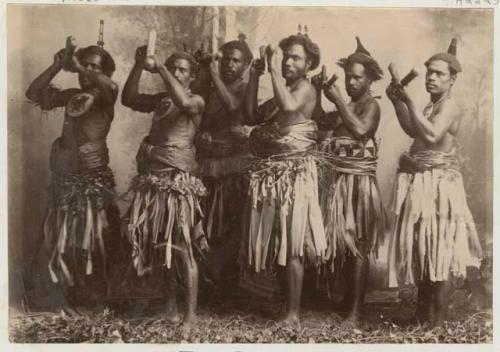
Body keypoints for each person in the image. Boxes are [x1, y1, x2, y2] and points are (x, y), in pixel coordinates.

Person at [386, 39, 482, 327]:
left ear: (452, 80)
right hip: (423, 183)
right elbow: (412, 129)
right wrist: (397, 102)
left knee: (440, 249)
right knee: (424, 248)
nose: (431, 77)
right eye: (429, 72)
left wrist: (409, 100)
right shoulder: (432, 105)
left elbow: (430, 136)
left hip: (441, 186)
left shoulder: (450, 107)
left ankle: (437, 324)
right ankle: (420, 317)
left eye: (439, 73)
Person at [25, 36, 119, 315]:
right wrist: (57, 65)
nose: (86, 72)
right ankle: (58, 299)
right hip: (65, 183)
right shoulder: (69, 96)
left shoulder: (105, 98)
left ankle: (93, 303)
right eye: (84, 65)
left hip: (92, 184)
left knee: (93, 243)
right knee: (58, 241)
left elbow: (112, 87)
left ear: (105, 72)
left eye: (95, 67)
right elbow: (33, 93)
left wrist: (78, 64)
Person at [242, 32, 327, 326]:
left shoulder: (305, 89)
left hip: (295, 175)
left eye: (296, 57)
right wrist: (255, 75)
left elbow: (290, 110)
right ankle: (285, 307)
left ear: (309, 64)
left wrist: (274, 69)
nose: (289, 61)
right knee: (280, 240)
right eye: (286, 56)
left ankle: (293, 314)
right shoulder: (284, 89)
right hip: (274, 175)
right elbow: (251, 115)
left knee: (293, 242)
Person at [121, 46, 206, 328]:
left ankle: (190, 316)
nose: (178, 73)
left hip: (177, 183)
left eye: (183, 70)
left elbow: (183, 102)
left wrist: (161, 68)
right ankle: (170, 307)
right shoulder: (161, 100)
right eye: (174, 68)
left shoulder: (196, 101)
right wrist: (137, 65)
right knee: (162, 245)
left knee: (183, 246)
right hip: (154, 180)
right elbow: (129, 98)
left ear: (192, 77)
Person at [312, 37, 386, 327]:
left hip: (359, 185)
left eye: (357, 78)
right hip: (339, 181)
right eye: (348, 77)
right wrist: (320, 92)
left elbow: (360, 131)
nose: (351, 82)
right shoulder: (350, 104)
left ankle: (355, 313)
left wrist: (339, 99)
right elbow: (321, 121)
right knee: (343, 242)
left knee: (358, 245)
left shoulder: (371, 106)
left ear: (370, 80)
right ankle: (345, 302)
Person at [194, 35, 254, 288]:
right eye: (226, 60)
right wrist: (201, 134)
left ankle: (228, 282)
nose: (229, 64)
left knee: (232, 225)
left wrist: (212, 72)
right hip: (208, 165)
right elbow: (194, 118)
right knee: (206, 222)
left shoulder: (245, 89)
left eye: (235, 61)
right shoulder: (208, 90)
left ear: (245, 66)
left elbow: (232, 107)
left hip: (235, 168)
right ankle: (206, 281)